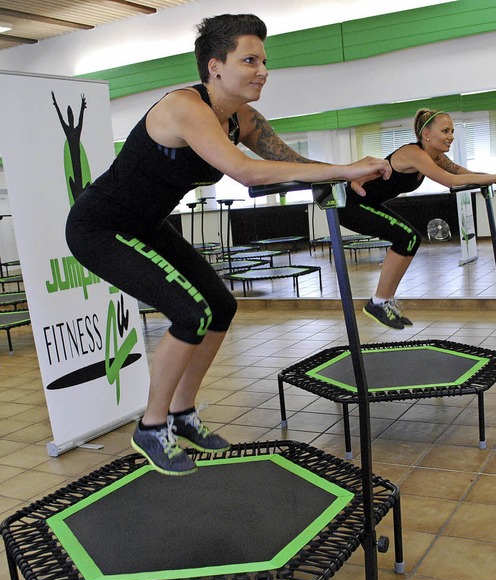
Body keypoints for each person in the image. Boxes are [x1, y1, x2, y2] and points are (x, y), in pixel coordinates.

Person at [65, 13, 391, 475]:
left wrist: (337, 176)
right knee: (190, 312)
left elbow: (290, 161)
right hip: (100, 227)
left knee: (220, 306)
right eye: (249, 60)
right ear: (215, 66)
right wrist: (341, 170)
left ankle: (181, 412)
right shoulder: (185, 107)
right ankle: (151, 427)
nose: (262, 70)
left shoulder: (243, 118)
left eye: (263, 60)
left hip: (149, 224)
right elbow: (247, 172)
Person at [338, 108, 496, 330]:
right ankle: (379, 302)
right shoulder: (413, 153)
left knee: (410, 238)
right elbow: (450, 180)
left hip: (368, 204)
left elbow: (460, 172)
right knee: (407, 236)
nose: (451, 136)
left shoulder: (436, 157)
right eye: (445, 131)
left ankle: (383, 301)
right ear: (426, 134)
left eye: (452, 131)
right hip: (352, 205)